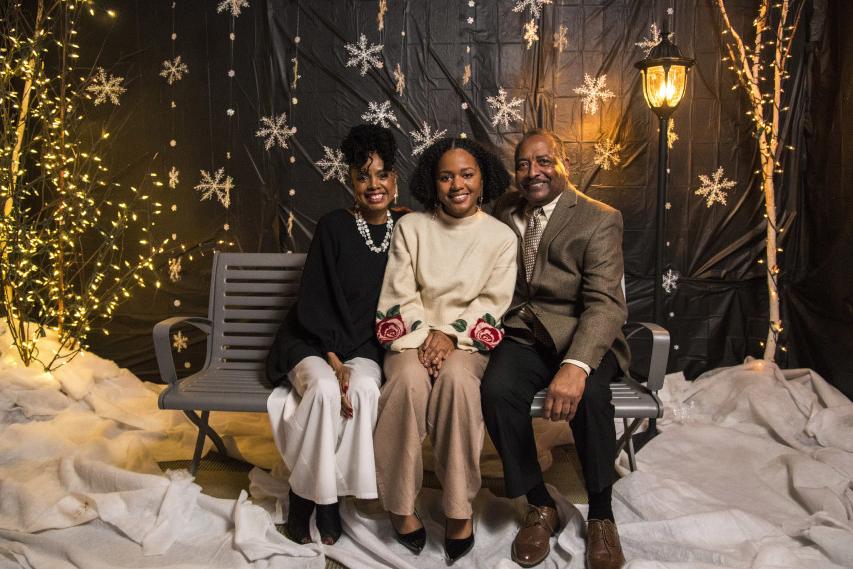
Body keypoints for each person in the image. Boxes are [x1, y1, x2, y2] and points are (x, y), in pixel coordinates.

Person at [480, 129, 630, 569]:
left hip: (578, 335)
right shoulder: (506, 209)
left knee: (593, 398)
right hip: (523, 335)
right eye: (524, 164)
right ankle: (539, 502)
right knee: (497, 392)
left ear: (564, 163)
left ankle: (601, 514)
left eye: (544, 161)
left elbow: (605, 303)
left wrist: (577, 365)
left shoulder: (599, 218)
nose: (533, 172)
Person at [372, 137, 517, 563]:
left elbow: (494, 301)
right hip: (413, 339)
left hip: (466, 342)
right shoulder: (411, 228)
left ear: (482, 178)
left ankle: (458, 509)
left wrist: (452, 337)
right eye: (446, 176)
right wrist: (424, 338)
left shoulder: (501, 238)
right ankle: (400, 506)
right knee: (404, 383)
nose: (458, 184)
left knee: (457, 382)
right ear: (432, 183)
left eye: (467, 174)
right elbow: (399, 292)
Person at [265, 124, 405, 546]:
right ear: (350, 182)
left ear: (395, 180)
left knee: (363, 392)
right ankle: (310, 503)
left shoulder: (410, 229)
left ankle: (326, 497)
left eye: (382, 175)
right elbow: (313, 300)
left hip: (365, 346)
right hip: (313, 338)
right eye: (363, 176)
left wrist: (354, 363)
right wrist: (332, 359)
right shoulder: (333, 226)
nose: (374, 185)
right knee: (325, 393)